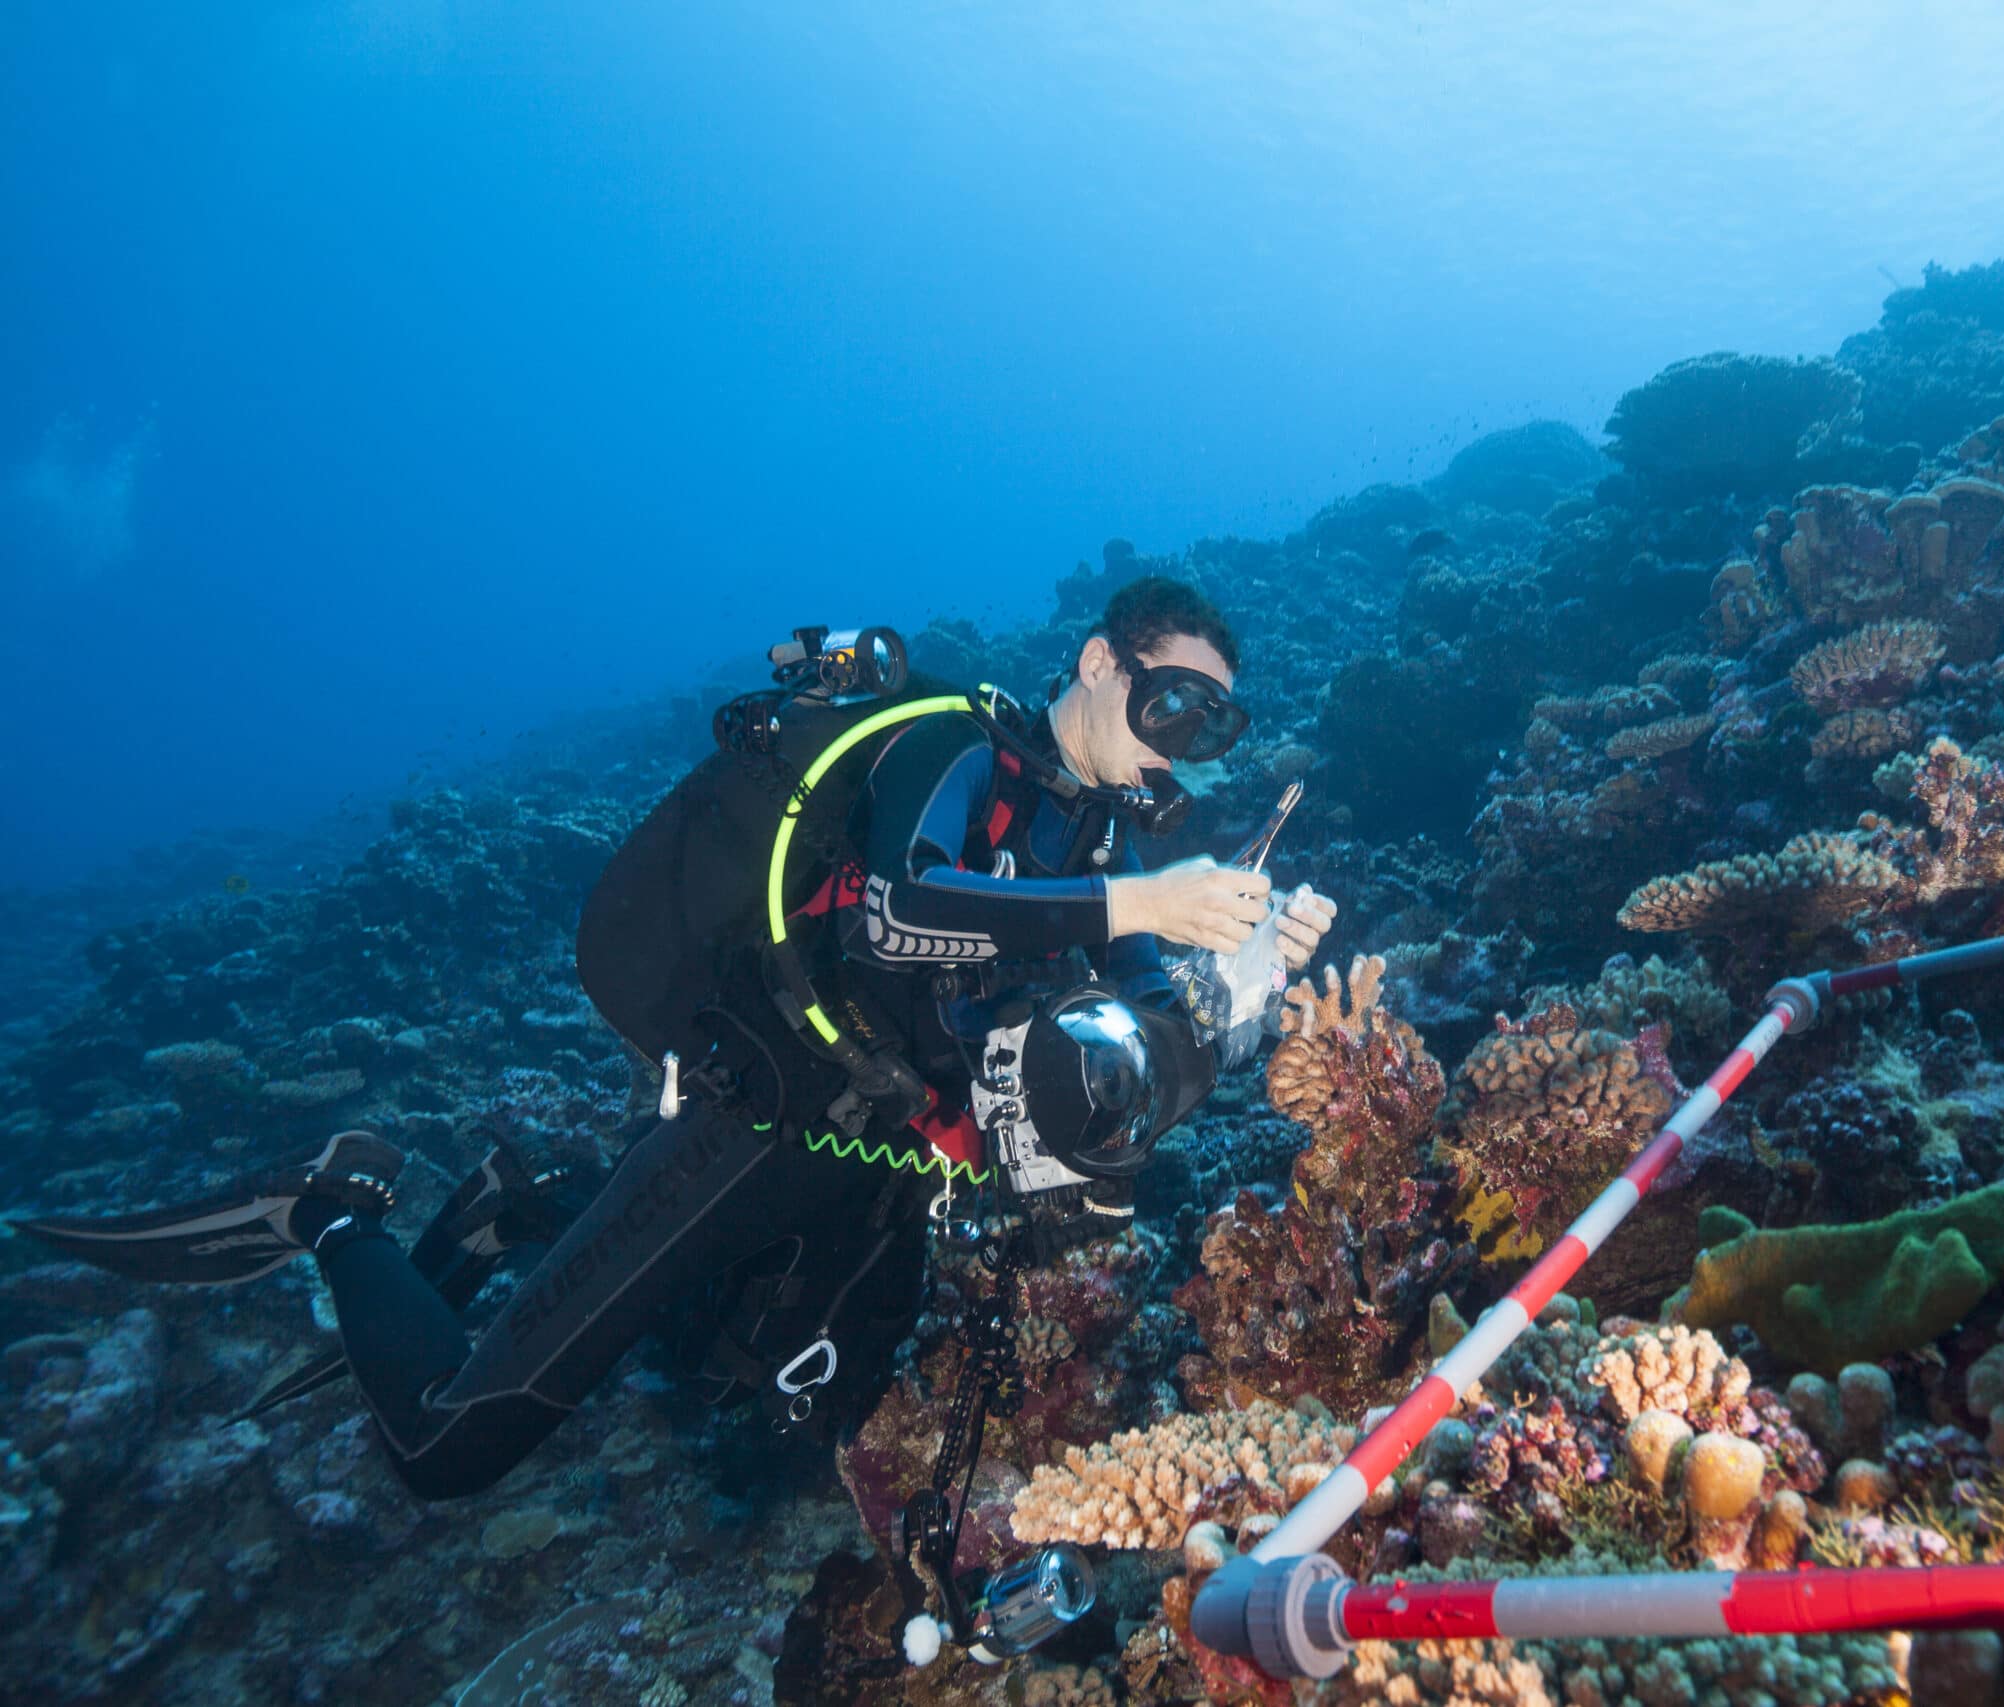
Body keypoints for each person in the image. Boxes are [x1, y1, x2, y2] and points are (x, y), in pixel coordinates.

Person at [19, 577, 1335, 1506]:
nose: (1187, 748)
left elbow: (1122, 1030)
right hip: (757, 1120)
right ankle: (335, 1206)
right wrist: (1141, 901)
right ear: (1103, 665)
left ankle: (523, 1209)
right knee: (452, 1451)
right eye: (1174, 703)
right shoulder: (951, 746)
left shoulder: (1090, 838)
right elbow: (900, 910)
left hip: (878, 1161)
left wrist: (1244, 979)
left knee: (767, 1414)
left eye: (1214, 729)